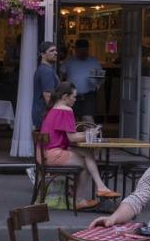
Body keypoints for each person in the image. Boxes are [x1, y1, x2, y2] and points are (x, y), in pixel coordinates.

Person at [39, 82, 119, 210]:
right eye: (74, 97)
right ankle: (78, 199)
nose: (75, 100)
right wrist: (90, 134)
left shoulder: (53, 109)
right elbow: (72, 137)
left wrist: (86, 133)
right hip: (52, 154)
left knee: (87, 154)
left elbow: (69, 135)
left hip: (43, 153)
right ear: (65, 97)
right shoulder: (66, 110)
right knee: (85, 164)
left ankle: (100, 187)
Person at [60, 38, 104, 121]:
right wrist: (61, 89)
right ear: (76, 50)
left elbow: (101, 78)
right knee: (72, 120)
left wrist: (98, 84)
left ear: (88, 50)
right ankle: (76, 134)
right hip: (71, 95)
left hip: (89, 95)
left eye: (85, 52)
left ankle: (90, 134)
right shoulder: (69, 61)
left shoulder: (94, 61)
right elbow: (61, 74)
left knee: (88, 119)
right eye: (80, 52)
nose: (83, 54)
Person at [31, 41, 59, 130]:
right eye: (51, 51)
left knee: (43, 143)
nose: (55, 53)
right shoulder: (46, 71)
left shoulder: (44, 69)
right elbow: (48, 96)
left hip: (42, 114)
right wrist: (57, 114)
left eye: (56, 50)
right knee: (49, 143)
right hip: (45, 114)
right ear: (43, 54)